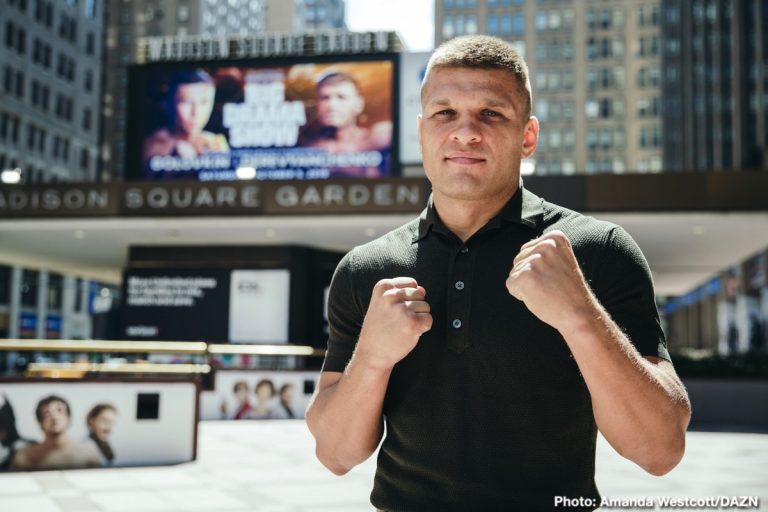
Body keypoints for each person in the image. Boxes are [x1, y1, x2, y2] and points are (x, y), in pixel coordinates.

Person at [305, 35, 691, 511]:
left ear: (528, 135)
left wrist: (579, 316)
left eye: (491, 114)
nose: (465, 132)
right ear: (422, 130)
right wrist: (373, 358)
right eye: (445, 113)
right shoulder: (365, 269)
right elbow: (336, 454)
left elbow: (660, 451)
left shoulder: (598, 251)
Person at [303, 71, 392, 177]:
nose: (331, 105)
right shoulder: (306, 145)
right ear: (317, 105)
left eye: (341, 97)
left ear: (358, 105)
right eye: (325, 98)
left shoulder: (376, 137)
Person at [143, 70, 229, 163]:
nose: (196, 112)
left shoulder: (215, 143)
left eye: (204, 102)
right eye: (187, 102)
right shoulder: (153, 146)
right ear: (170, 103)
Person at [10, 395, 100, 470]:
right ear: (40, 423)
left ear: (69, 419)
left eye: (59, 410)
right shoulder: (24, 458)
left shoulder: (88, 452)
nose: (54, 417)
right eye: (47, 413)